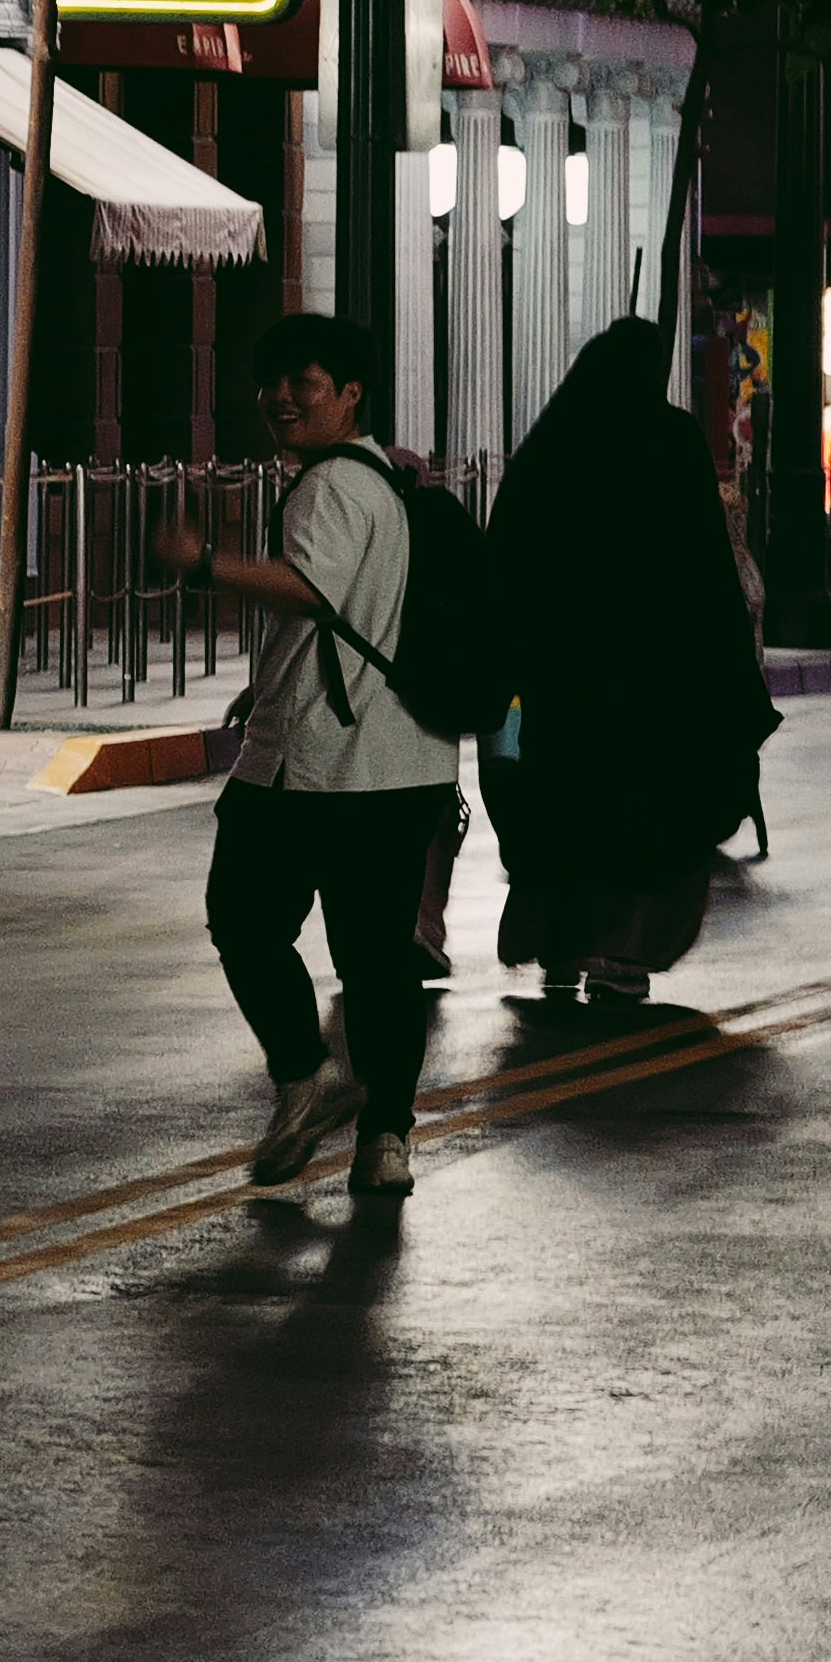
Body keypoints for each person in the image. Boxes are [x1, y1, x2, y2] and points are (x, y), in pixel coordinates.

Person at [211, 309, 458, 1213]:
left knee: (241, 916)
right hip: (404, 761)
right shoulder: (387, 482)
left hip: (327, 765)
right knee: (377, 962)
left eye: (302, 382)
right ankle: (385, 1140)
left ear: (349, 395)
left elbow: (311, 590)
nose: (280, 397)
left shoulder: (328, 486)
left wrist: (204, 559)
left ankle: (307, 1076)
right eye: (271, 381)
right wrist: (266, 685)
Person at [481, 299, 770, 1025]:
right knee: (640, 814)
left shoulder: (550, 443)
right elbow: (703, 568)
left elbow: (507, 559)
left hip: (556, 676)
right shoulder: (668, 438)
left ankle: (558, 941)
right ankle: (621, 952)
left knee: (563, 806)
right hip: (651, 675)